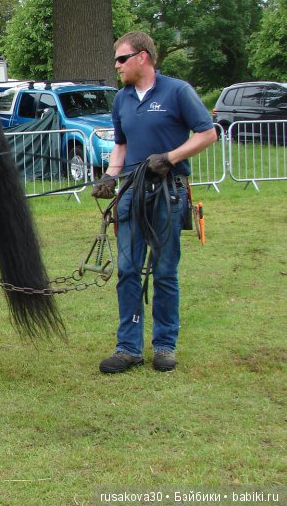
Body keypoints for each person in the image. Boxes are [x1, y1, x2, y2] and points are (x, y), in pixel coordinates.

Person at [92, 31, 217, 373]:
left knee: (164, 270)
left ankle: (164, 345)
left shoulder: (177, 92)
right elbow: (120, 145)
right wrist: (108, 176)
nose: (116, 65)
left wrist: (171, 157)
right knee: (128, 269)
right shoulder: (121, 99)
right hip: (131, 191)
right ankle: (128, 347)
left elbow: (208, 133)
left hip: (168, 192)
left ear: (143, 57)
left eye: (121, 59)